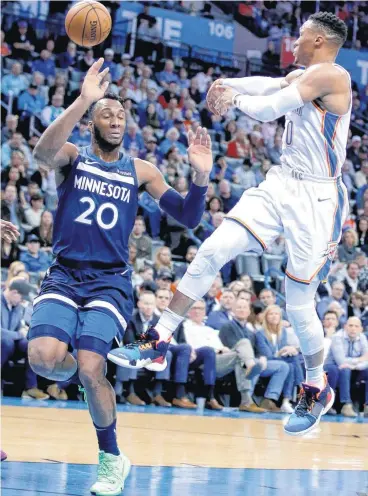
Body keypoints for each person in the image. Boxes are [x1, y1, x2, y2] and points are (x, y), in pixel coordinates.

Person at [113, 12, 351, 437]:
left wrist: (234, 100)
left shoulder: (333, 77)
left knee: (298, 302)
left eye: (299, 36)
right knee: (213, 248)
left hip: (318, 199)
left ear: (317, 40)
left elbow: (267, 108)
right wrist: (229, 85)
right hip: (282, 183)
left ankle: (317, 385)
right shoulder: (306, 75)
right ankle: (158, 338)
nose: (292, 41)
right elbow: (269, 85)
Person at [27, 58, 212, 495]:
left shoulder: (141, 170)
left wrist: (201, 177)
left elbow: (187, 216)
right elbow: (41, 153)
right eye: (105, 113)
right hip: (64, 274)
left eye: (121, 115)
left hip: (109, 281)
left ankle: (111, 458)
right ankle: (91, 388)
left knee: (92, 367)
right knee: (42, 359)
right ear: (91, 121)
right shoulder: (73, 157)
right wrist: (82, 99)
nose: (114, 119)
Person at [324, 317, 368, 417]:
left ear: (361, 329)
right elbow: (341, 361)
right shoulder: (337, 337)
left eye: (356, 326)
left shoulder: (362, 338)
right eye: (350, 325)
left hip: (353, 368)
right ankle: (346, 404)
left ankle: (367, 406)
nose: (353, 329)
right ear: (345, 327)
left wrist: (355, 366)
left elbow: (367, 360)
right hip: (333, 366)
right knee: (345, 369)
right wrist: (359, 360)